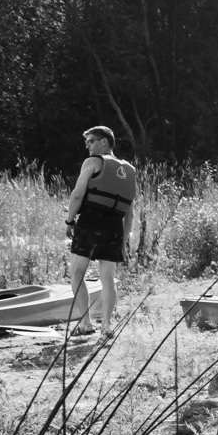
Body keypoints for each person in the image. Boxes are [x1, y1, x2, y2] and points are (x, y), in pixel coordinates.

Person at [62, 125, 135, 338]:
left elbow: (77, 195)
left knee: (77, 273)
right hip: (115, 227)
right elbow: (130, 213)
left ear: (104, 141)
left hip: (91, 222)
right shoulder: (130, 170)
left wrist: (69, 221)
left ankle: (85, 323)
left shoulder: (93, 162)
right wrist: (124, 240)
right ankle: (107, 326)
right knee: (108, 278)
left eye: (91, 141)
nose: (88, 146)